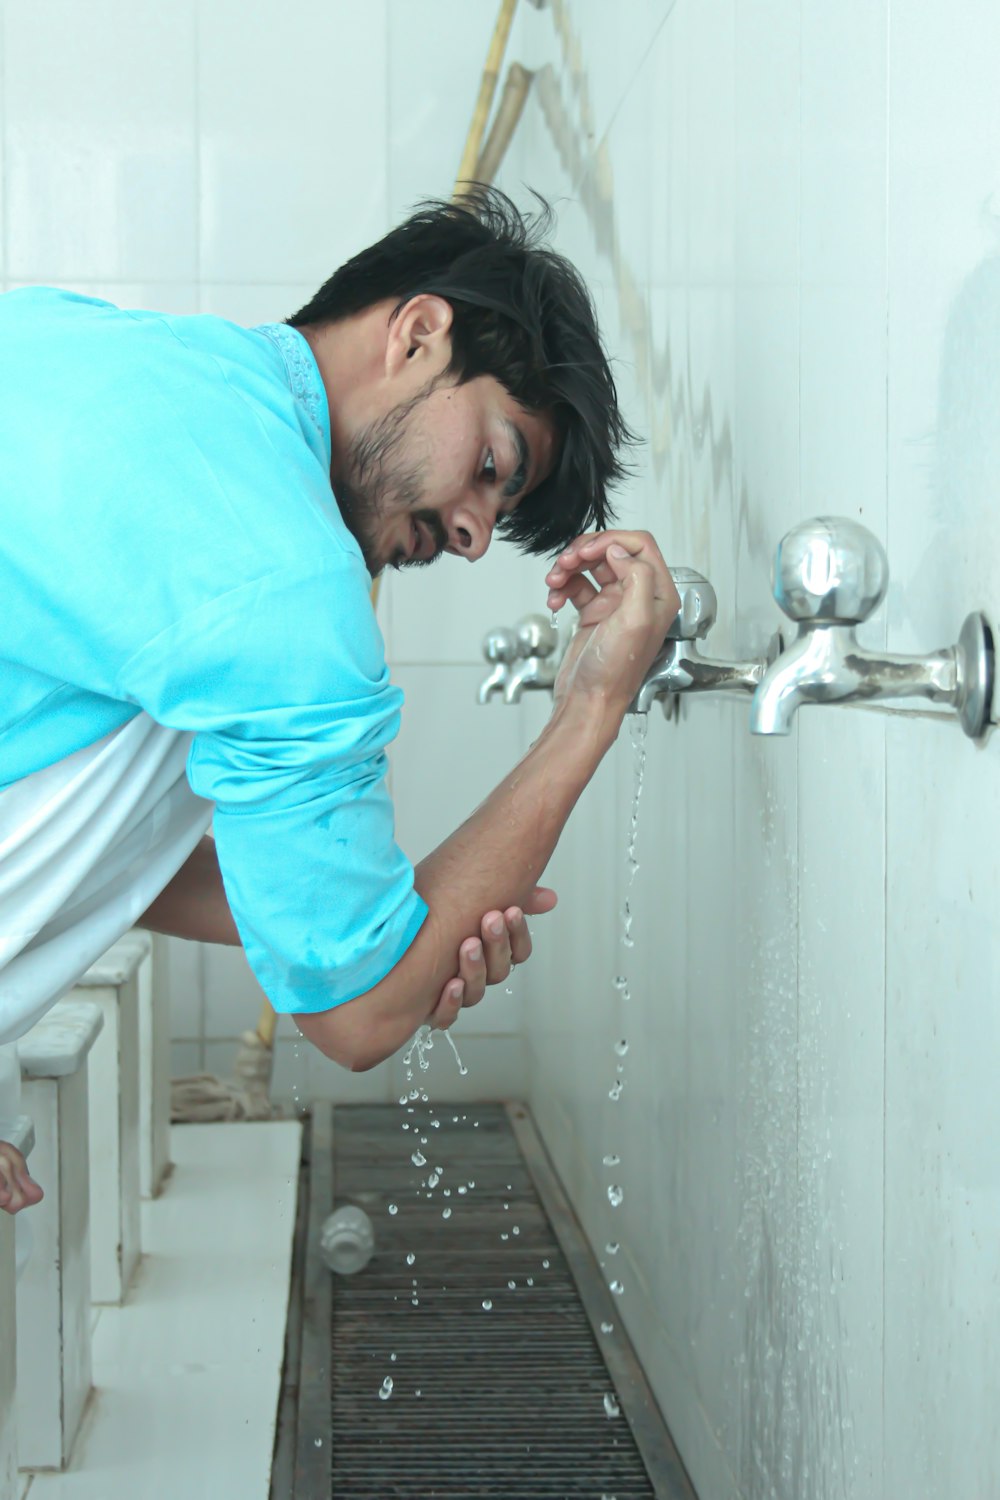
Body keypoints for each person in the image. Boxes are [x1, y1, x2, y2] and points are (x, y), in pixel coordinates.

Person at [0, 188, 679, 1215]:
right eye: (492, 465)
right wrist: (591, 703)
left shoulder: (70, 343)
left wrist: (375, 914)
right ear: (417, 333)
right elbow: (359, 1016)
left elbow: (97, 837)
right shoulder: (283, 582)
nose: (473, 537)